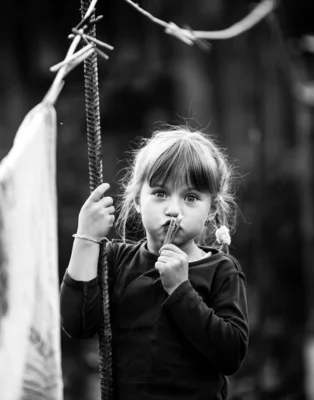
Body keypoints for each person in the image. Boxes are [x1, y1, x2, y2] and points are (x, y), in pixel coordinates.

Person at [60, 127, 249, 400]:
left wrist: (181, 290)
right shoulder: (116, 260)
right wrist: (86, 238)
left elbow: (231, 355)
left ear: (212, 210)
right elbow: (76, 324)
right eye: (160, 193)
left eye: (191, 197)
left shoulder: (221, 270)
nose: (173, 210)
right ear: (138, 199)